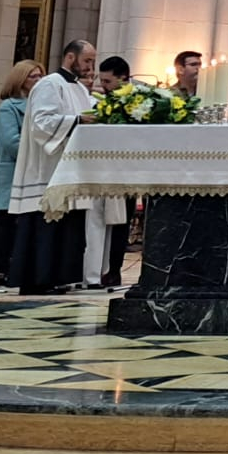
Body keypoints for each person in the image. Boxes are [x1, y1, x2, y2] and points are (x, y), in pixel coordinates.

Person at [9, 40, 98, 294]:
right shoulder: (49, 84)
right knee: (44, 227)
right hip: (46, 169)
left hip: (71, 169)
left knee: (67, 228)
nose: (91, 67)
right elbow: (42, 123)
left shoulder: (81, 90)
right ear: (71, 57)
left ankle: (58, 277)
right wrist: (78, 120)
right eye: (87, 60)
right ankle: (38, 280)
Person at [0, 60, 41, 291]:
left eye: (40, 76)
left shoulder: (39, 107)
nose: (38, 81)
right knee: (7, 223)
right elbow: (11, 142)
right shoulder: (9, 107)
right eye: (33, 77)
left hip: (34, 172)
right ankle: (4, 268)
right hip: (15, 170)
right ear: (21, 80)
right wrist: (40, 154)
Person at [93, 56, 135, 288]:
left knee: (120, 223)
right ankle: (95, 268)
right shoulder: (101, 101)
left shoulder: (138, 102)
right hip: (100, 171)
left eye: (108, 81)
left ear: (123, 79)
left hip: (126, 173)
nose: (104, 87)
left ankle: (113, 269)